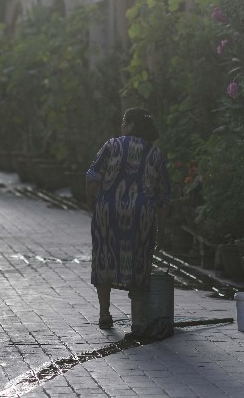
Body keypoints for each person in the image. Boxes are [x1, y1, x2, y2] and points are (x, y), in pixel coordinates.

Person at [86, 107, 170, 334]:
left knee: (103, 259)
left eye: (125, 121)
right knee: (140, 262)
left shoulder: (112, 145)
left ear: (132, 125)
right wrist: (161, 231)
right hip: (141, 216)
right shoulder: (156, 154)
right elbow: (163, 197)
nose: (122, 125)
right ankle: (138, 321)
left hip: (108, 211)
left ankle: (104, 315)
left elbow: (92, 176)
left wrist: (93, 202)